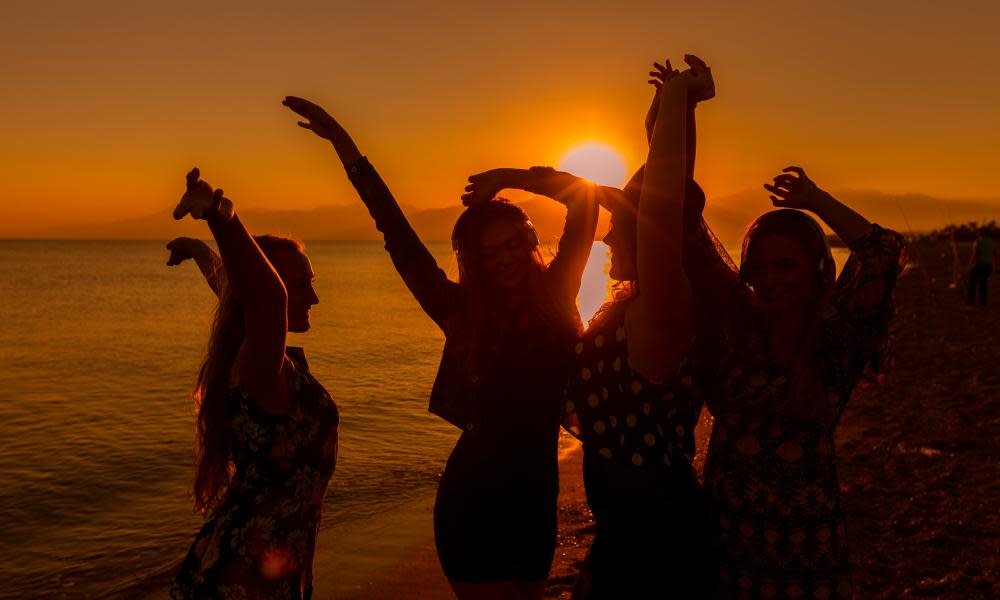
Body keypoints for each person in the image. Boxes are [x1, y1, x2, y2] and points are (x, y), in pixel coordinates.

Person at [283, 96, 601, 600]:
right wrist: (347, 149)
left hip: (537, 500)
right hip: (473, 499)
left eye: (513, 243)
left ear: (529, 238)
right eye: (489, 253)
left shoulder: (560, 291)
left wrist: (512, 176)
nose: (505, 260)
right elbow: (397, 234)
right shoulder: (459, 310)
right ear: (473, 261)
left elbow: (584, 201)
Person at [680, 165, 906, 598]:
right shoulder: (737, 328)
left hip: (807, 547)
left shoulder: (834, 340)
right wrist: (675, 113)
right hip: (726, 541)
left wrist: (815, 200)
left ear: (819, 268)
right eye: (759, 267)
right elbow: (688, 233)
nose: (770, 279)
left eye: (785, 265)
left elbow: (881, 252)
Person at [564, 55, 720, 598]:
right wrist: (664, 120)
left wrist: (680, 97)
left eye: (617, 226)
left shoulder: (666, 306)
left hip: (658, 535)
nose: (606, 238)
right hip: (625, 531)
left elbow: (664, 205)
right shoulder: (629, 306)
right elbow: (662, 194)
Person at [169, 170, 338, 600]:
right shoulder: (260, 367)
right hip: (243, 578)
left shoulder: (258, 353)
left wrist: (196, 249)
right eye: (302, 286)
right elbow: (264, 297)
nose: (313, 298)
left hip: (257, 564)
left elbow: (235, 287)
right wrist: (222, 218)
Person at [967, 226, 997, 305]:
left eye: (979, 232)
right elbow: (996, 254)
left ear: (983, 233)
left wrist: (970, 265)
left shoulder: (978, 241)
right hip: (988, 266)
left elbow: (975, 254)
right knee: (983, 283)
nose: (978, 233)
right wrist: (996, 266)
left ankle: (971, 301)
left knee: (972, 283)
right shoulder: (992, 242)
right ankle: (983, 301)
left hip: (979, 265)